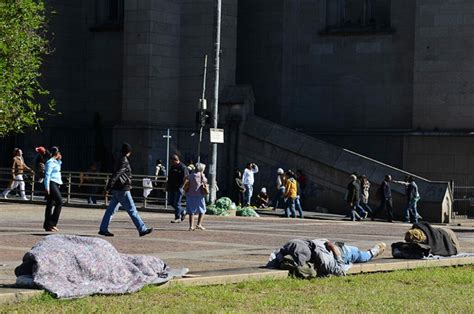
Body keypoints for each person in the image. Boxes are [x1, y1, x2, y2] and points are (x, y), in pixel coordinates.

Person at [98, 143, 153, 237]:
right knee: (132, 210)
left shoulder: (119, 159)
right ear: (129, 151)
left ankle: (103, 228)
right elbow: (117, 174)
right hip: (123, 189)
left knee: (110, 210)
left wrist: (108, 187)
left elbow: (115, 174)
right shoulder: (124, 161)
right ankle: (142, 229)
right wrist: (108, 188)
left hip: (117, 189)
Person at [267, 238, 386, 278]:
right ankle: (374, 251)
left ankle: (374, 251)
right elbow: (279, 251)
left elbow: (339, 271)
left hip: (344, 252)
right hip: (338, 250)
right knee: (361, 255)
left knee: (363, 256)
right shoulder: (296, 244)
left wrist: (334, 249)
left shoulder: (322, 259)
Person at [43, 146, 63, 232]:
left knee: (50, 204)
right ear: (57, 153)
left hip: (56, 182)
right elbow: (47, 175)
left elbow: (59, 166)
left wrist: (59, 160)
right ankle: (52, 223)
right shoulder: (50, 162)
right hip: (51, 182)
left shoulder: (56, 162)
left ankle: (48, 225)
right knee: (59, 201)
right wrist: (47, 187)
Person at [184, 163, 208, 231]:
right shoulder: (201, 175)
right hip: (199, 195)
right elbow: (205, 181)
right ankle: (199, 224)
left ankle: (191, 226)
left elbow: (185, 179)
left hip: (190, 195)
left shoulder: (190, 175)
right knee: (202, 210)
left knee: (191, 211)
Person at [167, 155, 189, 223]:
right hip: (171, 187)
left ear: (175, 160)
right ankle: (183, 211)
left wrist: (182, 186)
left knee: (177, 203)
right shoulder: (172, 167)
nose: (171, 163)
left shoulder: (183, 167)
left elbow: (186, 178)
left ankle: (177, 217)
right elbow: (169, 177)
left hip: (179, 187)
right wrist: (166, 186)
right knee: (170, 202)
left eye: (172, 161)